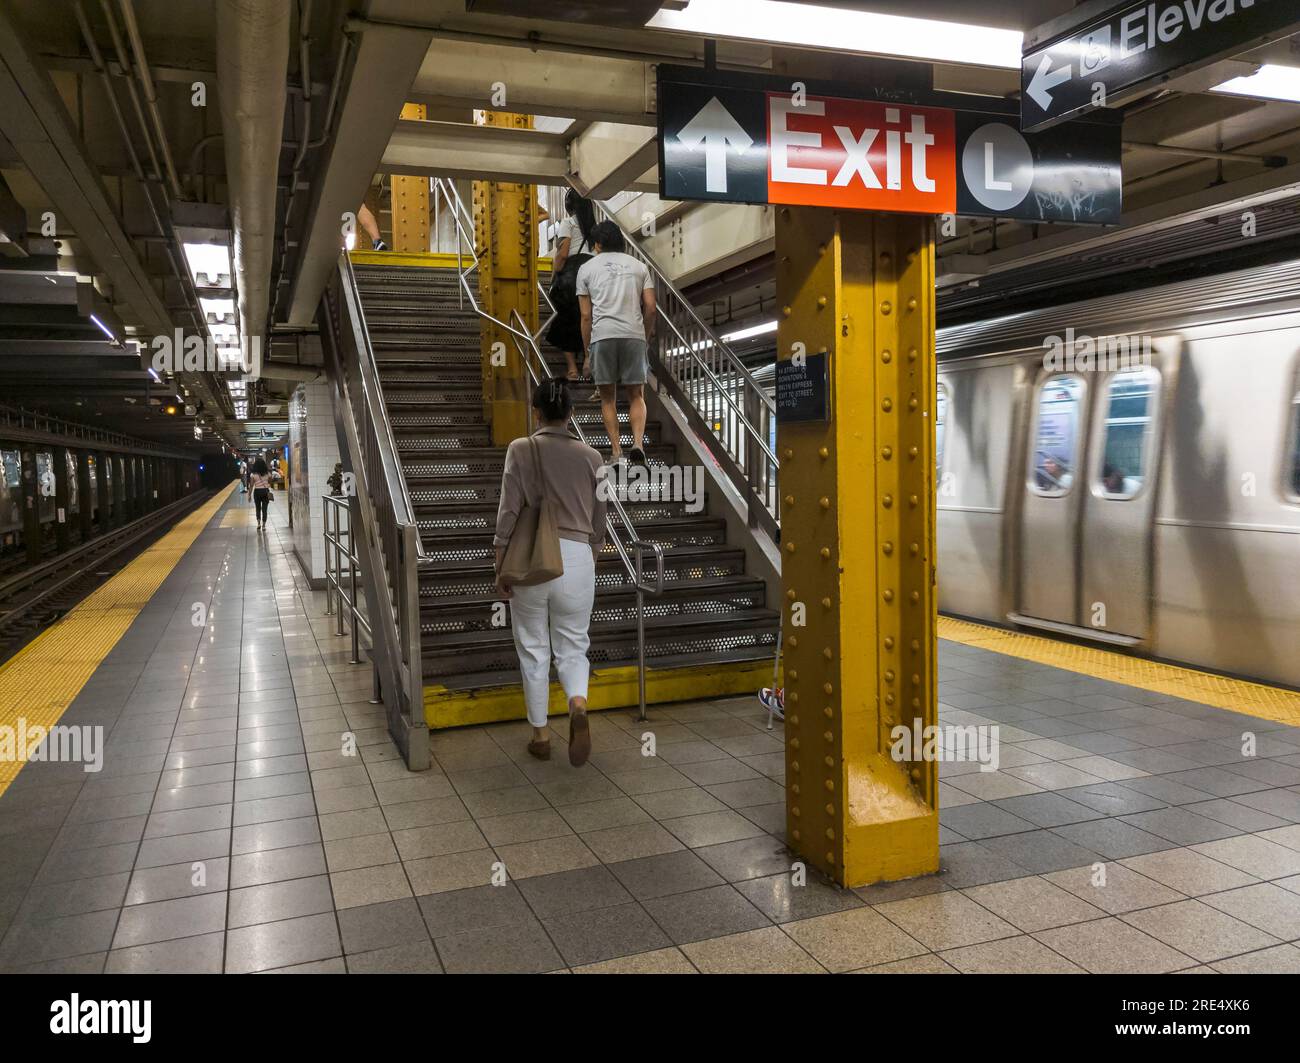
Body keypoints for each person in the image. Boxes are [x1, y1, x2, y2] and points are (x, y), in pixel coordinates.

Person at [494, 378, 606, 767]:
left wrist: (500, 559)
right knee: (573, 645)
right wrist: (593, 553)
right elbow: (600, 516)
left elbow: (509, 509)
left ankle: (541, 735)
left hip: (532, 558)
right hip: (577, 557)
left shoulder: (520, 449)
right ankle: (577, 703)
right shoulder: (593, 457)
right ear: (571, 414)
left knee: (533, 647)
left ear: (536, 412)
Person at [577, 220, 656, 466]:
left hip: (603, 336)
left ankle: (616, 453)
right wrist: (645, 335)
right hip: (634, 335)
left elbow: (586, 316)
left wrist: (587, 353)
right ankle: (639, 444)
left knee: (607, 397)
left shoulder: (586, 269)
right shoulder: (640, 266)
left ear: (597, 244)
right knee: (636, 395)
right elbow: (651, 308)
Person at [546, 190, 596, 380]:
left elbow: (564, 253)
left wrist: (555, 272)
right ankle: (588, 359)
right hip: (591, 273)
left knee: (565, 318)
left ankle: (572, 368)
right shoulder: (594, 226)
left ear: (569, 205)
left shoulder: (568, 223)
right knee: (588, 317)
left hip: (571, 275)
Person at [249, 457, 273, 529]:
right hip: (265, 491)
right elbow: (270, 482)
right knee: (264, 509)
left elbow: (251, 485)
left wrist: (249, 495)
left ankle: (258, 524)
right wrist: (266, 483)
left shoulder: (253, 474)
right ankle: (264, 525)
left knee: (258, 508)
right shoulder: (268, 473)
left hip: (257, 492)